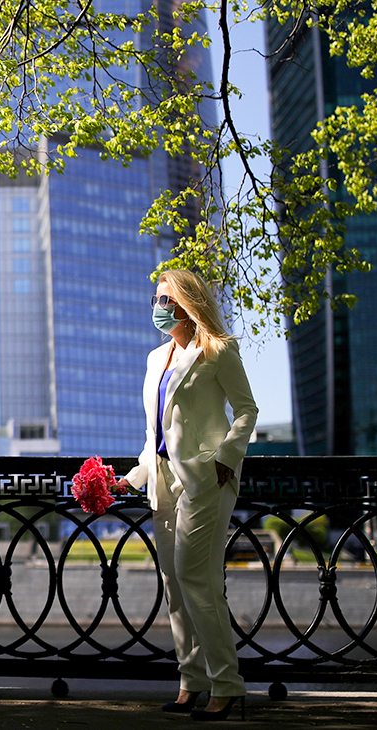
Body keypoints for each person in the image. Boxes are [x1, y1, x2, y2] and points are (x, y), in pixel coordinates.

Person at [115, 270, 258, 722]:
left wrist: (223, 460)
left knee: (196, 580)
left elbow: (248, 411)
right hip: (162, 483)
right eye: (156, 298)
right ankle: (190, 681)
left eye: (166, 298)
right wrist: (133, 478)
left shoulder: (218, 349)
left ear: (187, 303)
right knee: (175, 588)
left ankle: (227, 685)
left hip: (204, 482)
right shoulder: (156, 357)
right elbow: (153, 433)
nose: (158, 306)